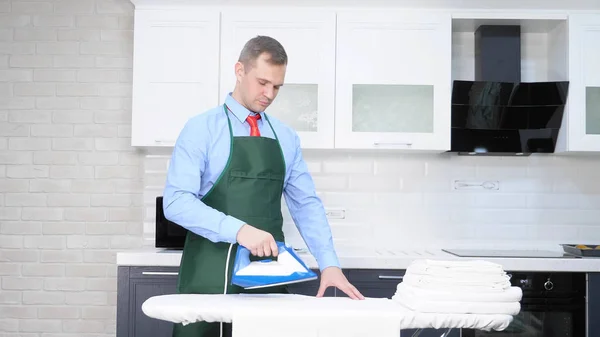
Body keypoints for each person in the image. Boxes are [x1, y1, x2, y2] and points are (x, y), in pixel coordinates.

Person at [162, 35, 364, 337]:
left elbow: (306, 204)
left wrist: (329, 264)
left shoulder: (285, 137)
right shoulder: (201, 129)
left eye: (277, 87)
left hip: (267, 276)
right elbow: (176, 202)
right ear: (239, 70)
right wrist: (241, 231)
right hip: (207, 277)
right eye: (262, 83)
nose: (269, 94)